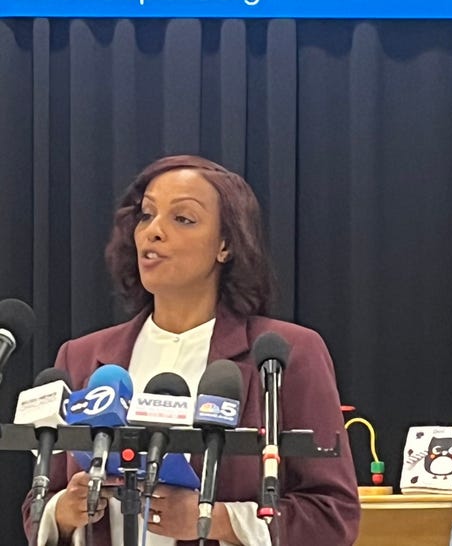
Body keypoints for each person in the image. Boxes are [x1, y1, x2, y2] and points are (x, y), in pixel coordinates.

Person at [21, 155, 361, 545]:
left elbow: (333, 515)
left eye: (182, 218)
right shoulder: (82, 357)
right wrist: (63, 512)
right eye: (146, 215)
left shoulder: (284, 353)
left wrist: (215, 520)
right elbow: (39, 503)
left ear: (225, 245)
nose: (153, 232)